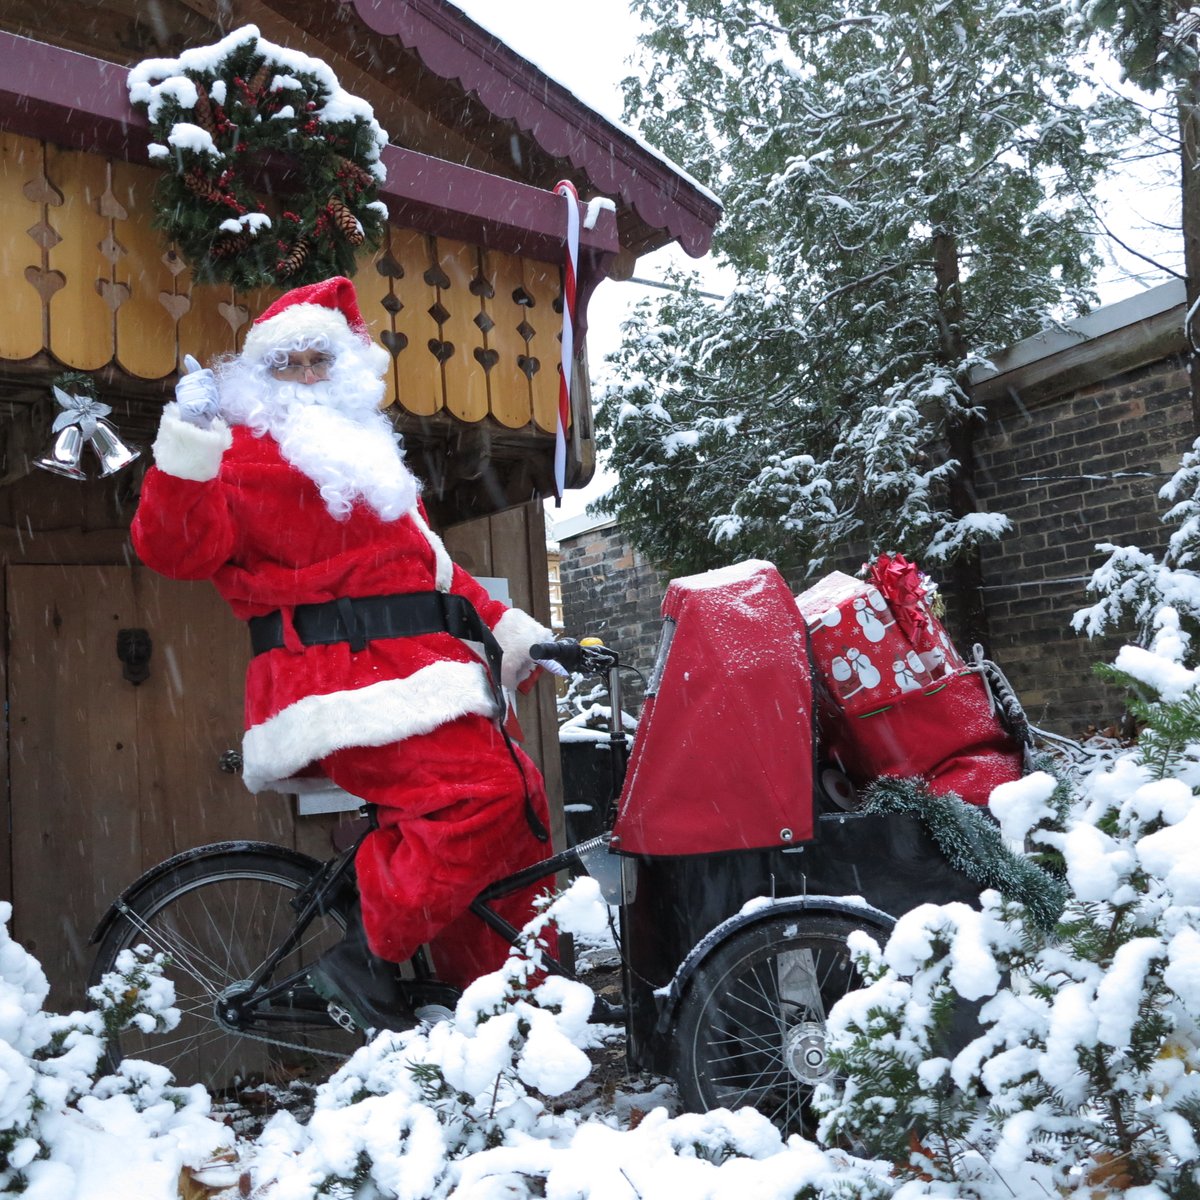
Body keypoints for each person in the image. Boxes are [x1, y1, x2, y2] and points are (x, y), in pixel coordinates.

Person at [132, 276, 562, 1034]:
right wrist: (187, 442)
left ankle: (505, 1016)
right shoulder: (240, 457)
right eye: (286, 364)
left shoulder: (368, 458)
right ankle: (363, 952)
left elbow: (437, 579)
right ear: (260, 379)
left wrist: (519, 633)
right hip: (340, 681)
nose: (303, 376)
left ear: (347, 367)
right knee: (479, 796)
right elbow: (172, 547)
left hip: (428, 675)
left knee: (517, 819)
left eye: (317, 361)